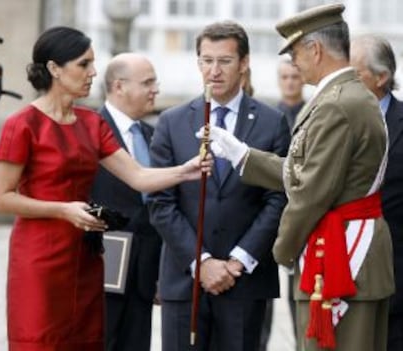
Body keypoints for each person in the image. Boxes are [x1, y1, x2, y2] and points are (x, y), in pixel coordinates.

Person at [0, 26, 210, 351]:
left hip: (87, 257)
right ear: (54, 69)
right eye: (84, 64)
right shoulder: (22, 124)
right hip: (40, 260)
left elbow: (138, 177)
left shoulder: (92, 122)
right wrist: (62, 210)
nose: (94, 72)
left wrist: (187, 170)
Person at [202, 4, 394, 351]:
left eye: (294, 53)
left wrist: (282, 251)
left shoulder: (336, 104)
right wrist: (244, 156)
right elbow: (308, 172)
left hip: (339, 258)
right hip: (348, 255)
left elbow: (310, 193)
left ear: (315, 50)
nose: (293, 63)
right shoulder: (349, 96)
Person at [148, 20, 290, 351]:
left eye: (224, 61)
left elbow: (279, 198)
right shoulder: (171, 122)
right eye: (206, 60)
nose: (214, 70)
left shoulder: (272, 122)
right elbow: (159, 202)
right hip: (185, 281)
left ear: (244, 63)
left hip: (245, 281)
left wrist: (238, 261)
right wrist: (203, 262)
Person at [90, 52, 162, 351]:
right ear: (119, 87)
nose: (155, 90)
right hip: (101, 268)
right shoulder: (89, 129)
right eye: (147, 83)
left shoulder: (153, 135)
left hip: (144, 276)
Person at [350, 34, 403, 351]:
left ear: (382, 77)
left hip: (397, 276)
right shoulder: (336, 120)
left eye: (354, 75)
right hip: (342, 275)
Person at [259, 57, 305, 351]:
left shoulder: (314, 113)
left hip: (301, 211)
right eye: (285, 77)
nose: (290, 82)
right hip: (271, 210)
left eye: (294, 77)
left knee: (298, 291)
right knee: (263, 291)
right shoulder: (270, 116)